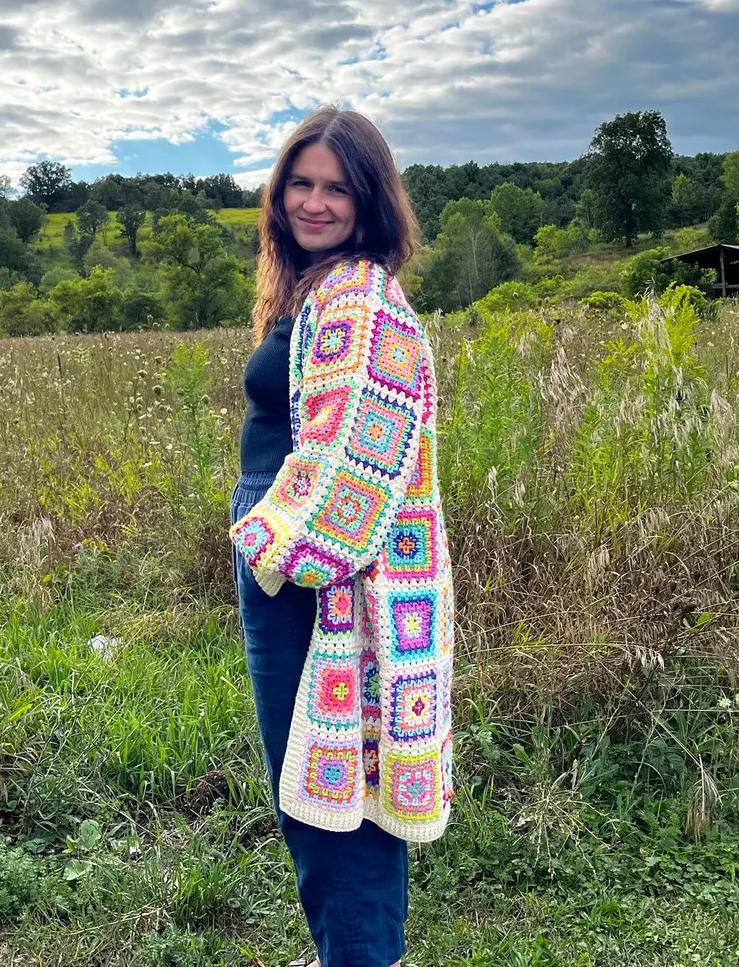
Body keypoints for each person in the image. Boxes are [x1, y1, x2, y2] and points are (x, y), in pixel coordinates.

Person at [229, 106, 454, 967]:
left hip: (318, 579)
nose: (314, 202)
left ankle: (362, 957)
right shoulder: (316, 286)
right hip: (301, 567)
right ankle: (351, 953)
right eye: (301, 182)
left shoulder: (359, 297)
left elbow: (359, 474)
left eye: (336, 187)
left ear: (371, 201)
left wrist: (272, 548)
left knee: (338, 787)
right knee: (329, 776)